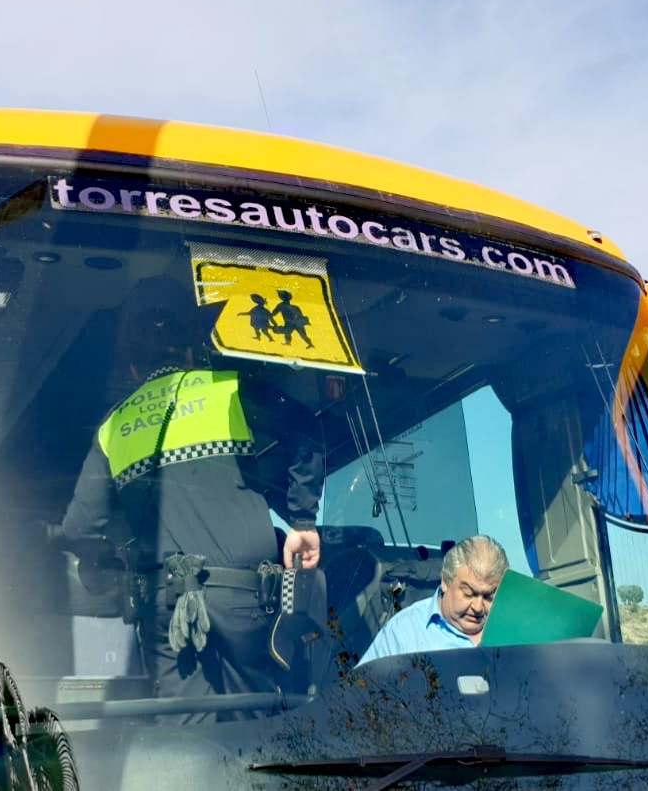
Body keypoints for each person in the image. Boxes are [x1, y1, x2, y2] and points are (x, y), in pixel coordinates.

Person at [60, 277, 325, 712]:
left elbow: (78, 529)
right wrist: (301, 522)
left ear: (132, 369)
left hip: (168, 611)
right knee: (260, 728)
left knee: (181, 742)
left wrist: (106, 556)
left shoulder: (112, 430)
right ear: (189, 351)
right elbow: (306, 431)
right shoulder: (229, 390)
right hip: (247, 600)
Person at [356, 535, 508, 666]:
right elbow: (360, 692)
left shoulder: (512, 629)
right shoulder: (403, 632)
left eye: (488, 597)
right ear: (445, 582)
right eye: (468, 594)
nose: (478, 607)